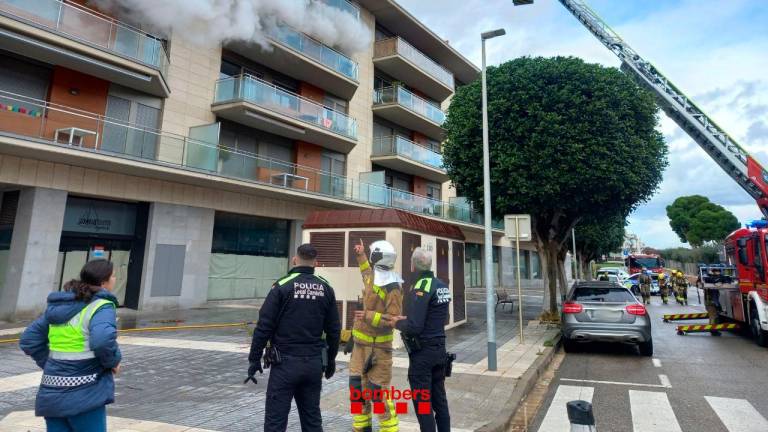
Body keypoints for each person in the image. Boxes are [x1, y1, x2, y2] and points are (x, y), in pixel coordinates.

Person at [247, 244, 341, 432]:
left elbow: (264, 326)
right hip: (314, 363)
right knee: (312, 420)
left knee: (276, 421)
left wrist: (254, 359)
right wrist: (330, 360)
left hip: (285, 365)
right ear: (315, 263)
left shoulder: (282, 286)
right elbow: (334, 330)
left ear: (294, 260)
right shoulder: (326, 288)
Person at [19, 259, 121, 432]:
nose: (115, 278)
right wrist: (113, 362)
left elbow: (29, 340)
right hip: (85, 391)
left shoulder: (59, 306)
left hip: (52, 390)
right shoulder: (101, 306)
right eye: (113, 275)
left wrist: (51, 364)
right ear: (104, 282)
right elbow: (102, 339)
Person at [390, 247, 451, 432]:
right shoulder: (441, 285)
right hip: (440, 351)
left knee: (423, 404)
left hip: (423, 355)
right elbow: (440, 317)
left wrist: (396, 323)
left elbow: (415, 327)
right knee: (439, 401)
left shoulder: (420, 287)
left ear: (413, 265)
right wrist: (407, 320)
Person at [349, 239, 403, 432]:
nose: (370, 259)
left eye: (372, 255)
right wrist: (360, 254)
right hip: (360, 347)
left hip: (379, 352)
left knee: (377, 393)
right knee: (357, 390)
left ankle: (388, 428)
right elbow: (365, 272)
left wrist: (369, 315)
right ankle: (361, 428)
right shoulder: (373, 276)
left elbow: (394, 319)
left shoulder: (393, 287)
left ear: (379, 257)